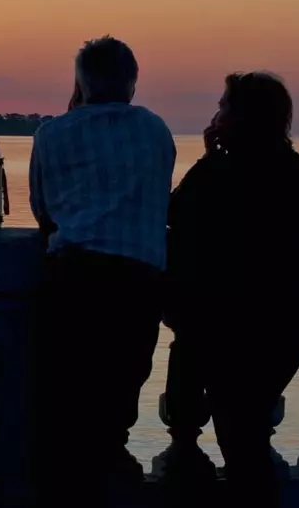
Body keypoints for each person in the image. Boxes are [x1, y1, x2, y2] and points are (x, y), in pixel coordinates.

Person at [166, 72, 299, 508]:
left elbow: (177, 214)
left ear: (240, 116)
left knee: (240, 441)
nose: (215, 113)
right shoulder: (288, 165)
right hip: (280, 327)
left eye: (222, 105)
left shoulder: (223, 169)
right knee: (245, 436)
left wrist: (209, 159)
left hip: (235, 327)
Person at [29, 36, 176, 507]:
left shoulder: (52, 134)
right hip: (138, 283)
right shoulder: (154, 130)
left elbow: (44, 212)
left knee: (66, 402)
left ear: (80, 82)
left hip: (75, 279)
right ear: (133, 82)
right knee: (117, 400)